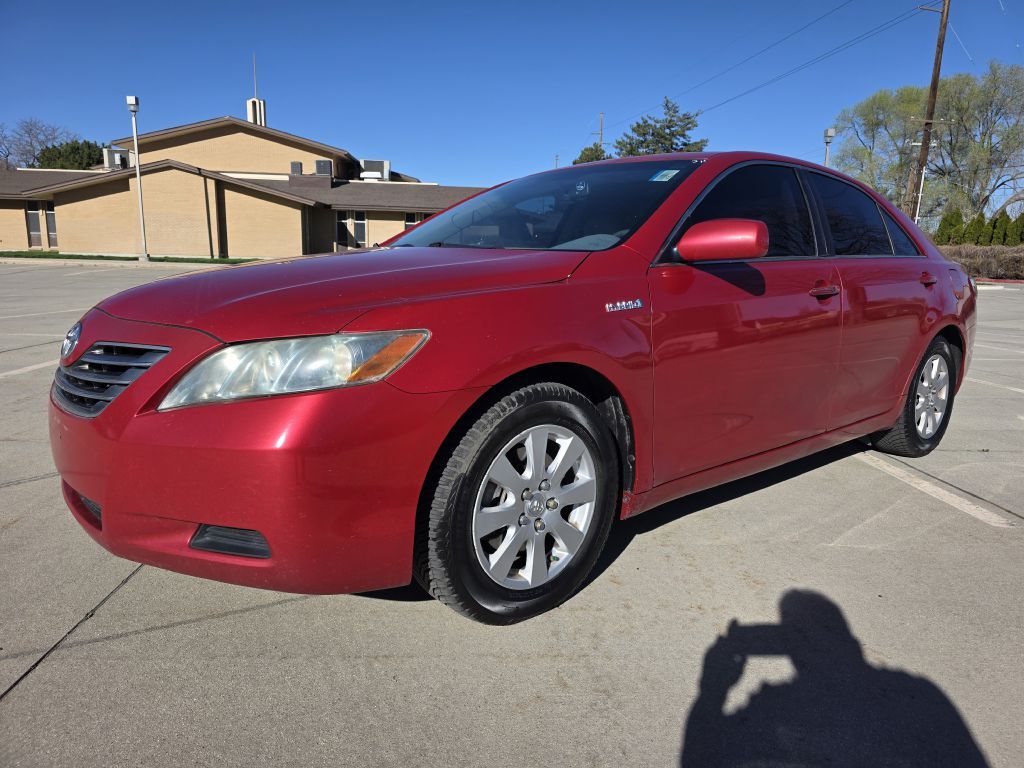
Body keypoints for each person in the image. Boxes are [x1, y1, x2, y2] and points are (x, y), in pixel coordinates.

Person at [681, 590, 989, 768]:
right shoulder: (920, 693)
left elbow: (698, 755)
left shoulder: (770, 706)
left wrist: (713, 688)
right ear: (849, 641)